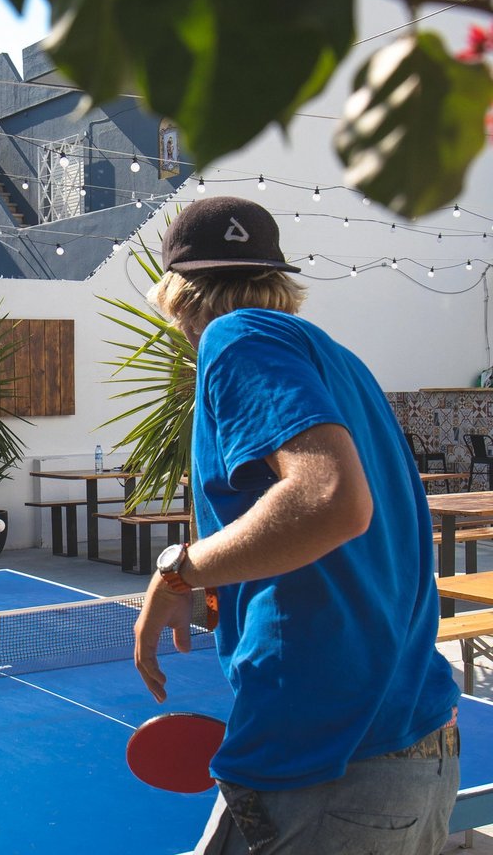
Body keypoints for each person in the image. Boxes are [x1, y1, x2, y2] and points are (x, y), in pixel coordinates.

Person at [133, 196, 459, 855]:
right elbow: (343, 546)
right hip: (415, 739)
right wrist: (224, 595)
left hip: (330, 758)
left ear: (176, 295)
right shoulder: (340, 362)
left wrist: (176, 572)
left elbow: (332, 502)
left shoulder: (237, 336)